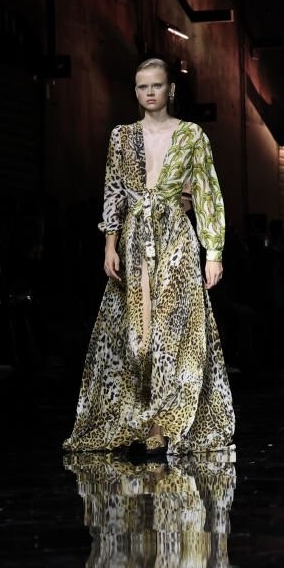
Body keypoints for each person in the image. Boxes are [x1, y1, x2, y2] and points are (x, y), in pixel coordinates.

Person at [63, 58, 235, 457]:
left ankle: (162, 423)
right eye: (142, 87)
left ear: (170, 89)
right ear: (135, 91)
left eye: (156, 85)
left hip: (175, 235)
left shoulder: (191, 135)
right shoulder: (122, 137)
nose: (150, 93)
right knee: (139, 337)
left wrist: (213, 252)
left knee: (171, 330)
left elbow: (207, 191)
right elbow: (113, 191)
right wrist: (109, 244)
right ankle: (141, 415)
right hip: (135, 239)